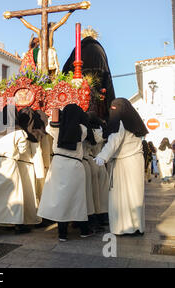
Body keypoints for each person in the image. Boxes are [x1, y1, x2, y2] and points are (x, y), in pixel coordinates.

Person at [37, 104, 93, 242]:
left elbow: (50, 125)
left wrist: (58, 115)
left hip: (58, 165)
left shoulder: (56, 128)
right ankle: (84, 230)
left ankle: (62, 233)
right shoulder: (82, 129)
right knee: (78, 199)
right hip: (75, 166)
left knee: (60, 198)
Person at [94, 98, 148, 236]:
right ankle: (137, 226)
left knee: (121, 195)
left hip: (124, 163)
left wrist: (102, 156)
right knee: (135, 194)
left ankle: (124, 227)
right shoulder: (133, 123)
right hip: (135, 160)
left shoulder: (120, 122)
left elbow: (114, 140)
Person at [0, 106, 34, 237]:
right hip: (10, 163)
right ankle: (17, 225)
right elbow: (22, 151)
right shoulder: (19, 132)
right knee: (14, 194)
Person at [62, 30, 116, 120]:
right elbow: (107, 76)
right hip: (97, 96)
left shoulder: (78, 48)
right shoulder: (100, 50)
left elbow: (66, 70)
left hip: (76, 93)